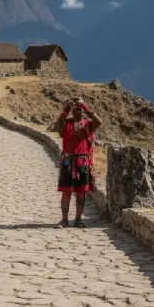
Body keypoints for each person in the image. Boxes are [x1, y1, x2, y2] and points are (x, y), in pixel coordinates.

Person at [53, 97, 102, 228]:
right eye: (75, 108)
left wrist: (87, 108)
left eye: (79, 108)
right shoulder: (66, 124)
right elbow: (56, 126)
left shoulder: (88, 124)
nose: (77, 110)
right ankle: (64, 220)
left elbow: (99, 121)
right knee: (66, 192)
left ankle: (78, 219)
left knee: (81, 192)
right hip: (68, 161)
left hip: (82, 161)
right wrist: (65, 111)